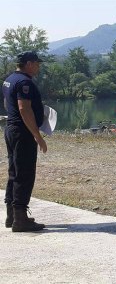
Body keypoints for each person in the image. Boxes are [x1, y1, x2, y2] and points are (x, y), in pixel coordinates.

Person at [3, 51, 47, 232]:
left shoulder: (9, 79)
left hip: (11, 128)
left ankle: (12, 215)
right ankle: (20, 219)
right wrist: (37, 135)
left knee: (14, 170)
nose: (38, 66)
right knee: (25, 172)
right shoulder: (24, 82)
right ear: (29, 63)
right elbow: (24, 108)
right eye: (37, 63)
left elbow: (8, 103)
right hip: (23, 132)